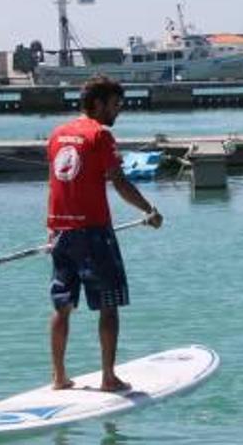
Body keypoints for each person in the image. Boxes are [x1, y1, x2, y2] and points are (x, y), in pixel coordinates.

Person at [46, 76, 163, 392]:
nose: (118, 111)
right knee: (108, 305)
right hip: (94, 233)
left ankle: (58, 377)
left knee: (62, 306)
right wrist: (149, 211)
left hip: (60, 231)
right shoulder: (101, 135)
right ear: (97, 104)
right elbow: (120, 182)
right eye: (115, 104)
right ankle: (108, 378)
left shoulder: (57, 135)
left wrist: (51, 230)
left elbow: (56, 185)